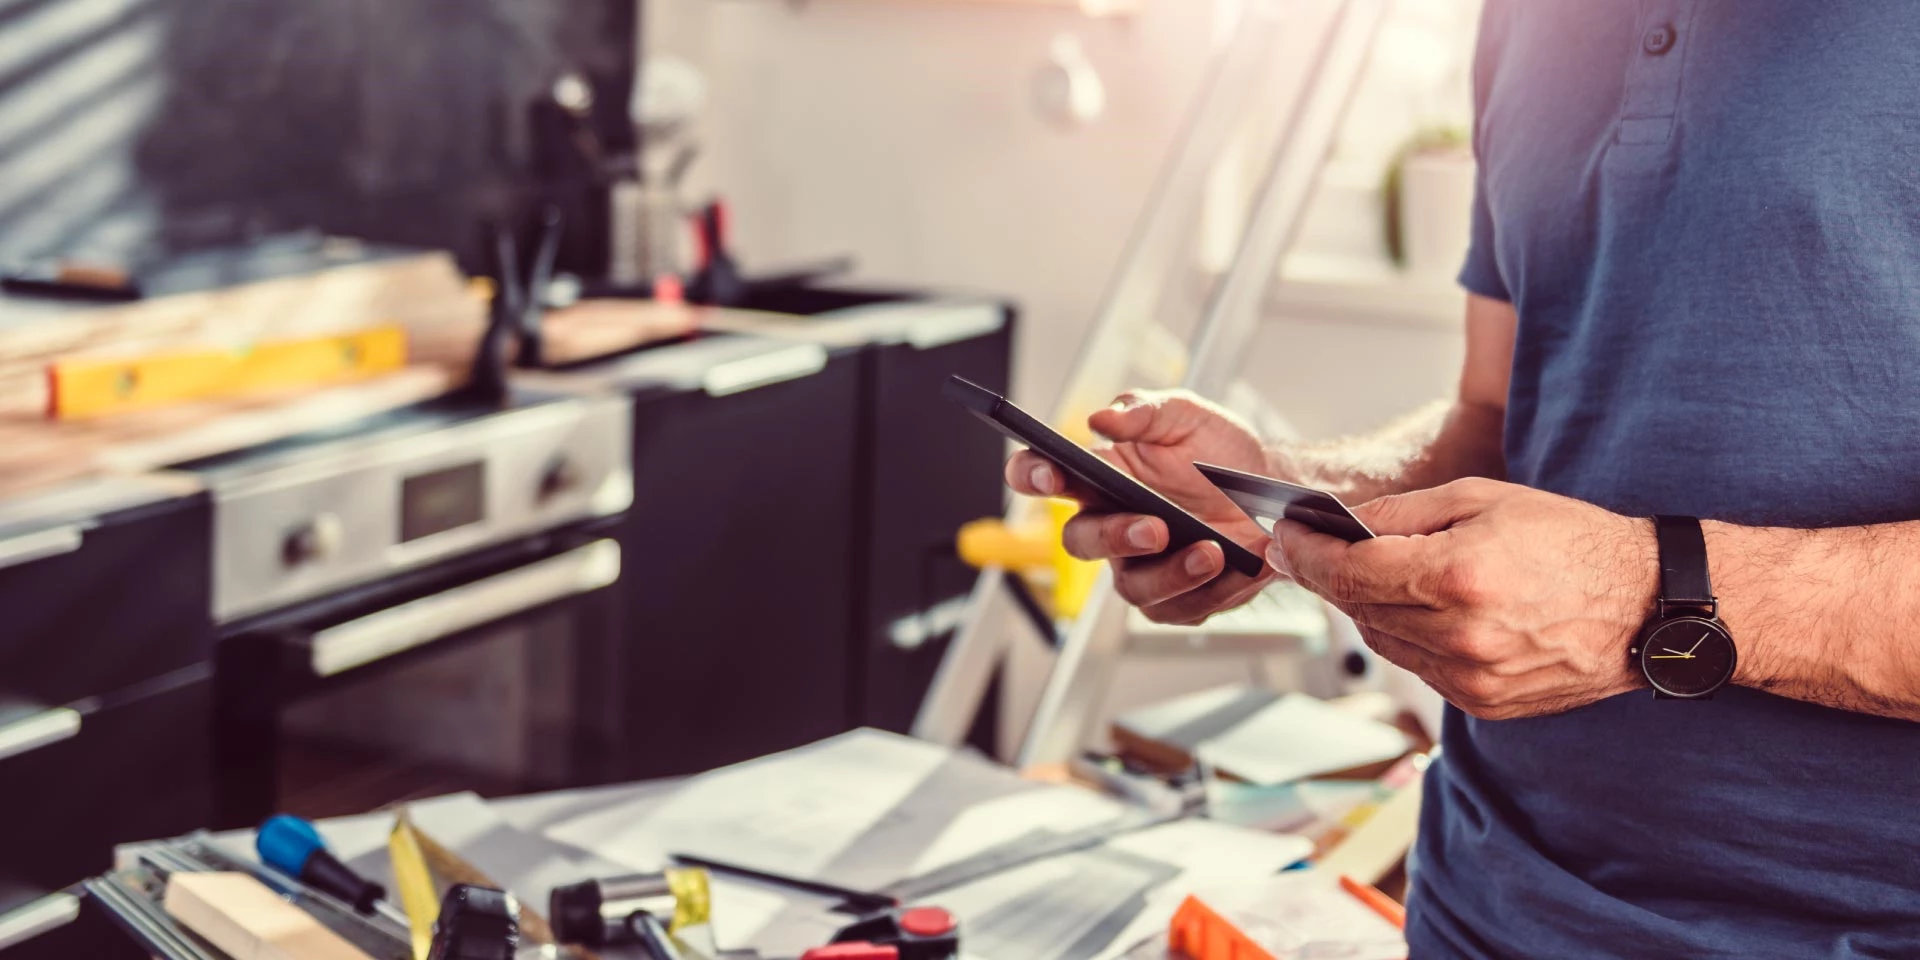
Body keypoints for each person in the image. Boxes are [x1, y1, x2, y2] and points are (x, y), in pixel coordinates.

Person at [1006, 4, 1920, 957]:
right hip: (1483, 900)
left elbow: (1617, 580)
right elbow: (1499, 413)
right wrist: (1285, 489)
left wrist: (1643, 600)